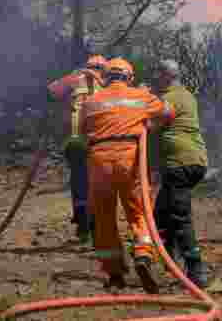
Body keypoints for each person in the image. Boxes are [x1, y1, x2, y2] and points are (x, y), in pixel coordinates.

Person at [82, 57, 176, 293]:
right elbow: (169, 113)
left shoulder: (90, 101)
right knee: (138, 211)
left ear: (105, 77)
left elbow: (84, 130)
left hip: (98, 161)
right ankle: (143, 255)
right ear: (129, 77)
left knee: (103, 218)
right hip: (130, 159)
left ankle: (114, 274)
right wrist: (147, 120)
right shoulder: (140, 96)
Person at [151, 59, 212, 288]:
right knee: (160, 213)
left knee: (179, 217)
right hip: (193, 162)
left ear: (167, 76)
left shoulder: (169, 99)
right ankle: (170, 263)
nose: (156, 78)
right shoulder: (186, 95)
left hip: (180, 164)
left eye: (158, 74)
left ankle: (196, 271)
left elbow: (151, 124)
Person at [47, 54, 106, 242]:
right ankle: (98, 228)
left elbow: (51, 91)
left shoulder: (74, 79)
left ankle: (83, 226)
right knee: (98, 185)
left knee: (80, 182)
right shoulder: (107, 83)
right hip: (99, 142)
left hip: (75, 140)